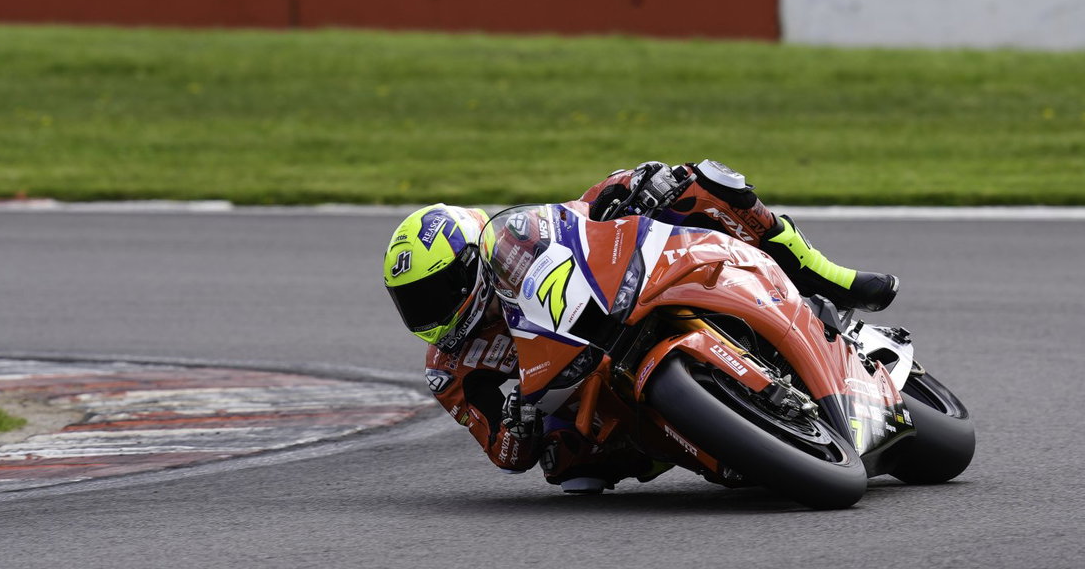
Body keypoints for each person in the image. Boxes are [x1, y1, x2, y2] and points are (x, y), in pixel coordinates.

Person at [380, 160, 899, 495]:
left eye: (438, 292)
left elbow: (585, 207)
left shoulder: (517, 242)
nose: (430, 313)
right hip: (574, 385)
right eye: (413, 304)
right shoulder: (449, 369)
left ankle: (828, 277)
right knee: (568, 470)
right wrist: (518, 425)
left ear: (472, 261)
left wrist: (640, 185)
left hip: (619, 295)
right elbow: (504, 453)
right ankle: (711, 439)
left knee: (705, 184)